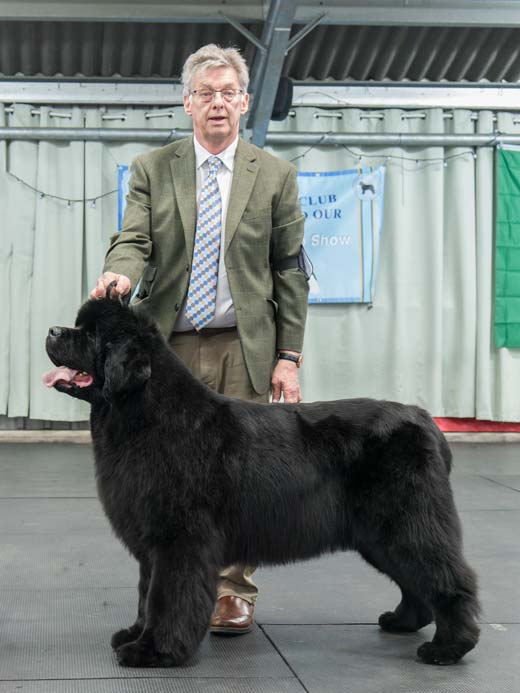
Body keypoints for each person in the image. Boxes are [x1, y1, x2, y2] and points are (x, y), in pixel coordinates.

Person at [91, 44, 308, 635]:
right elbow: (133, 239)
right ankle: (171, 588)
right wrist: (121, 274)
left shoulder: (277, 176)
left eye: (228, 92)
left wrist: (288, 356)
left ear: (244, 101)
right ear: (187, 103)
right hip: (170, 352)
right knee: (167, 478)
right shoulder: (152, 169)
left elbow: (289, 271)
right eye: (205, 93)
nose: (217, 102)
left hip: (246, 346)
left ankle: (233, 590)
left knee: (241, 478)